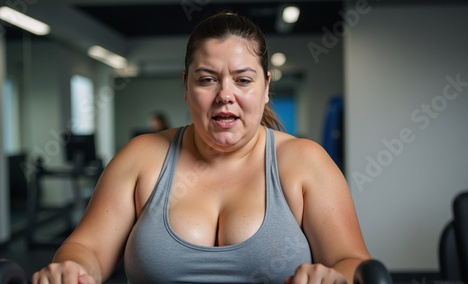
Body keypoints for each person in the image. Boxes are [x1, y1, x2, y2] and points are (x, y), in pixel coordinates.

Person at [32, 11, 370, 284]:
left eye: (243, 79)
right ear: (186, 85)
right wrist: (71, 268)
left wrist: (333, 276)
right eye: (207, 79)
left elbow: (353, 262)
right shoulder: (140, 158)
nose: (225, 94)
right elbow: (87, 247)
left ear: (266, 87)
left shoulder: (305, 163)